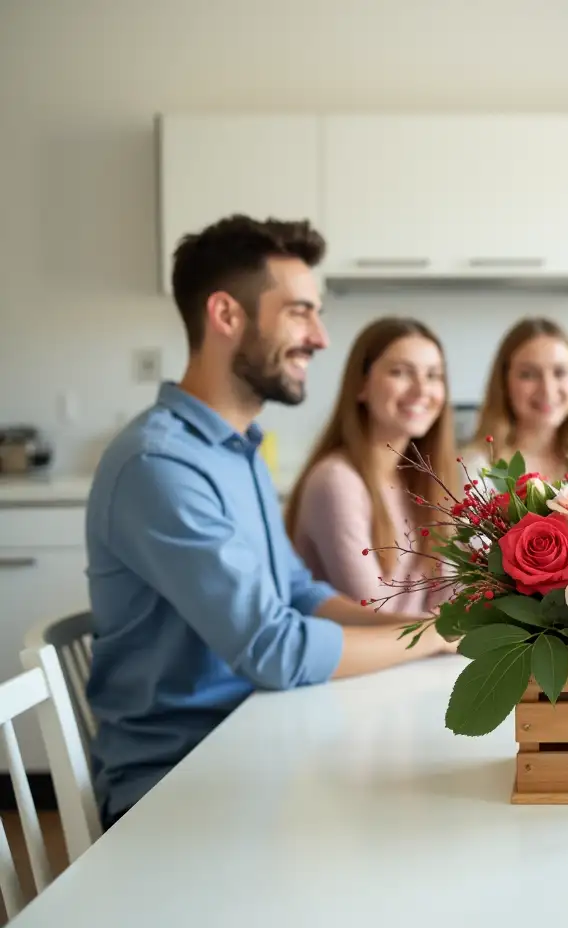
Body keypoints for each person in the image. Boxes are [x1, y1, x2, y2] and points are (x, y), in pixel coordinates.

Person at [84, 215, 454, 830]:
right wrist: (429, 639)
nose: (321, 338)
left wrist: (425, 626)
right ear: (227, 316)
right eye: (299, 312)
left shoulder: (235, 449)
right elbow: (273, 649)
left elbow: (299, 593)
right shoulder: (160, 464)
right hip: (176, 785)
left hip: (254, 740)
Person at [285, 316, 458, 610]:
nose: (421, 390)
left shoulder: (420, 481)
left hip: (416, 654)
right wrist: (444, 632)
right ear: (361, 385)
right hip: (363, 654)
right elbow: (374, 611)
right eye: (401, 372)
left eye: (433, 376)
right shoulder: (337, 481)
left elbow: (449, 598)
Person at [465, 317, 568, 483]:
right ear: (504, 382)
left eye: (560, 372)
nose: (547, 390)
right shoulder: (475, 470)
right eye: (529, 374)